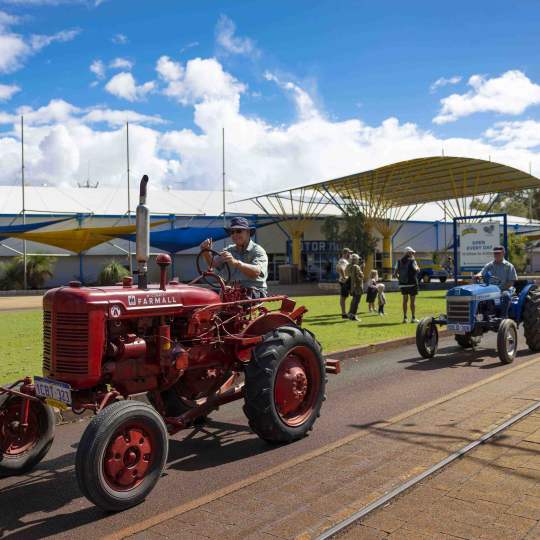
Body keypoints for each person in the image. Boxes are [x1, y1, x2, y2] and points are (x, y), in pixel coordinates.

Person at [199, 216, 268, 298]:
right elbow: (213, 264)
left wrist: (235, 262)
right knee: (204, 296)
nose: (235, 234)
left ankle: (220, 309)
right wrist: (206, 252)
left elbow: (256, 272)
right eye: (232, 232)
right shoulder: (228, 250)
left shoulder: (257, 251)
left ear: (248, 233)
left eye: (238, 231)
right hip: (233, 290)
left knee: (229, 295)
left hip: (255, 291)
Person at [474, 245, 517, 317]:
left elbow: (511, 282)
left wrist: (499, 289)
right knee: (477, 296)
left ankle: (503, 317)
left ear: (503, 253)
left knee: (506, 295)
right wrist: (477, 275)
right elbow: (482, 272)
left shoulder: (509, 266)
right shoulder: (489, 265)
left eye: (498, 253)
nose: (496, 255)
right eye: (495, 253)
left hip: (504, 289)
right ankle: (480, 316)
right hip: (490, 290)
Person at [394, 246, 420, 323]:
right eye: (412, 252)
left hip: (403, 284)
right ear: (409, 253)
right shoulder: (413, 261)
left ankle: (405, 318)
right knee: (412, 302)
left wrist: (401, 280)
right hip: (412, 284)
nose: (413, 254)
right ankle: (413, 318)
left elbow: (395, 274)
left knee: (405, 301)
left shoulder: (398, 261)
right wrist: (418, 268)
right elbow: (417, 270)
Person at [347, 253, 364, 321]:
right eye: (358, 259)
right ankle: (353, 315)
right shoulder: (356, 267)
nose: (358, 260)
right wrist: (362, 269)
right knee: (356, 301)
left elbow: (349, 274)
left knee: (353, 300)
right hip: (357, 286)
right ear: (355, 260)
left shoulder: (349, 266)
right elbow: (360, 276)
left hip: (351, 286)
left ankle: (350, 313)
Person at [336, 248, 352, 319]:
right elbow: (341, 268)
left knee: (344, 297)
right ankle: (344, 313)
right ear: (345, 253)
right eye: (349, 253)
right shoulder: (343, 261)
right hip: (344, 281)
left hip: (344, 281)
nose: (350, 255)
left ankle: (345, 313)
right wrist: (344, 277)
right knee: (343, 297)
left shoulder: (344, 260)